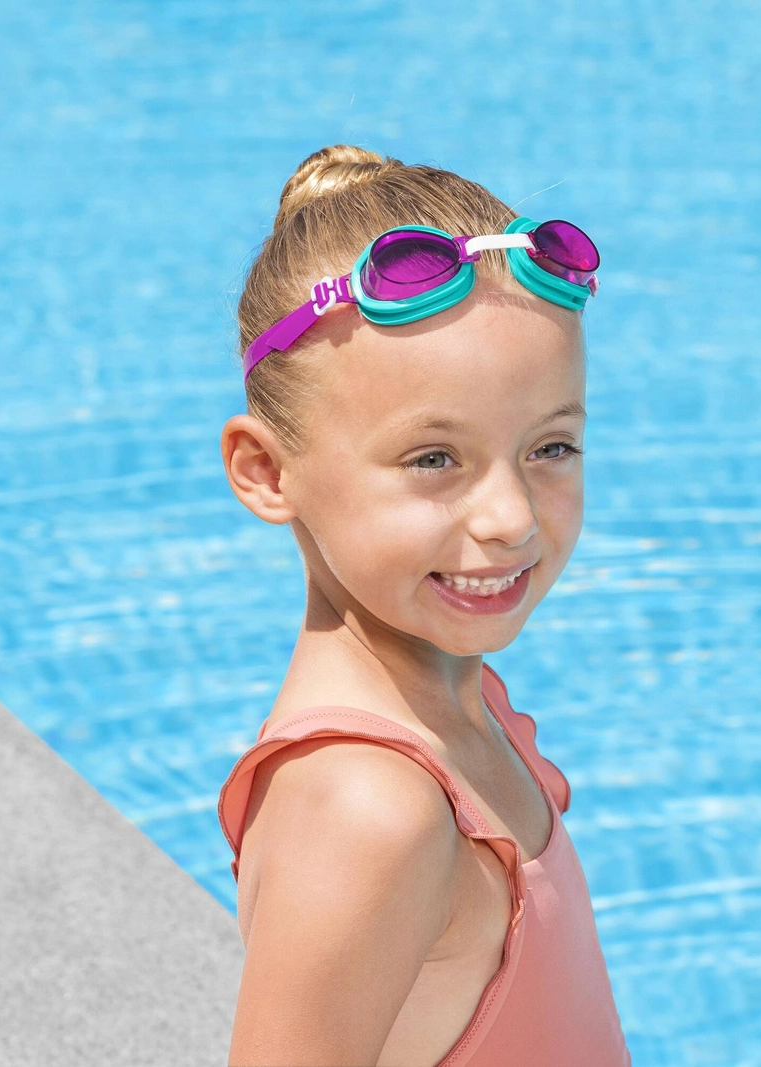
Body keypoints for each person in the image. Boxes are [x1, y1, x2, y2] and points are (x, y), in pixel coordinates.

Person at [216, 144, 631, 1067]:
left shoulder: (458, 701)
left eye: (551, 448)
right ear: (268, 470)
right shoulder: (372, 807)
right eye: (434, 459)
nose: (511, 517)